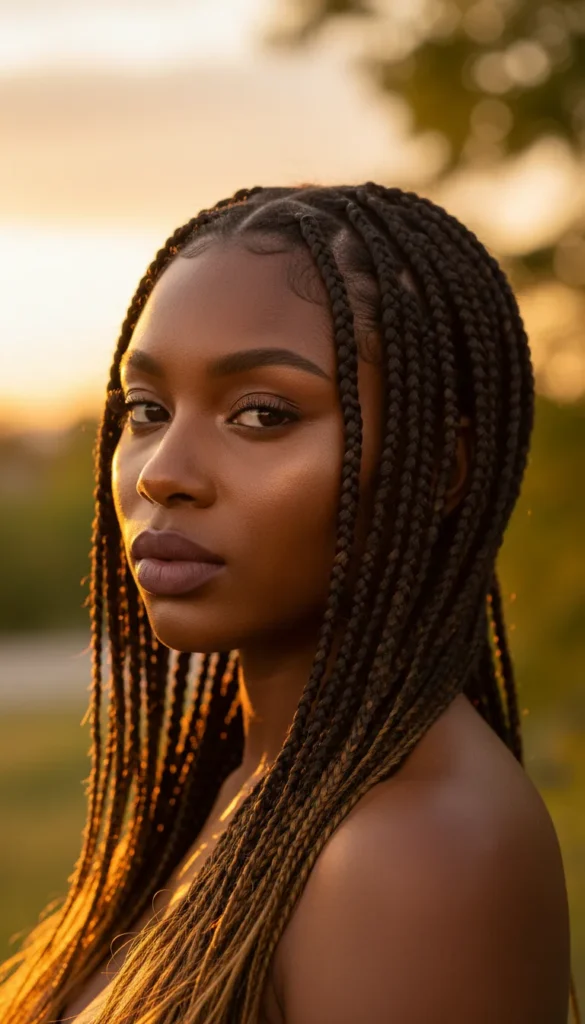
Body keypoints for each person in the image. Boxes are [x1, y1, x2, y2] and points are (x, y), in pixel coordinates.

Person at [0, 183, 578, 1024]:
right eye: (147, 410)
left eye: (262, 413)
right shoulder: (243, 786)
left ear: (438, 470)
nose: (162, 471)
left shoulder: (419, 851)